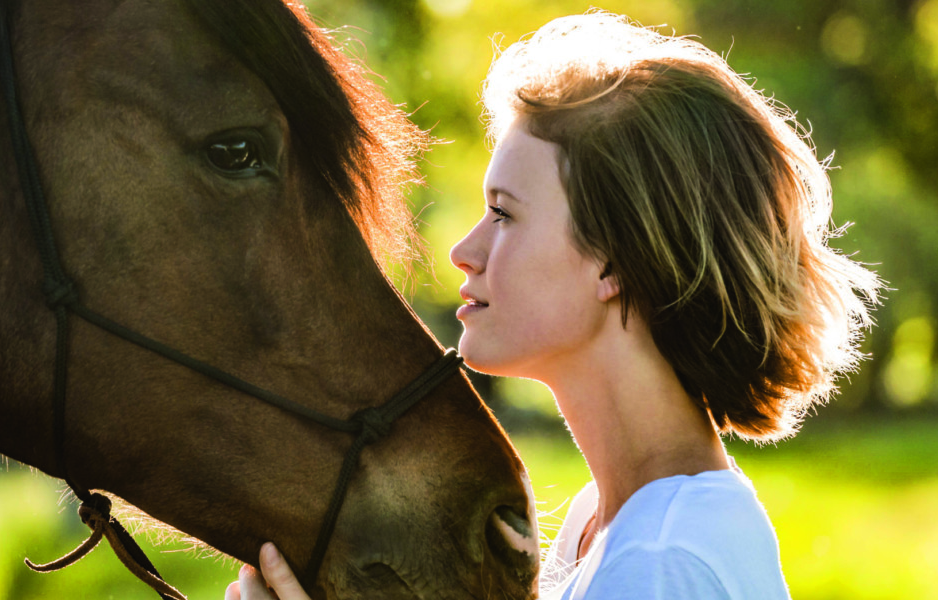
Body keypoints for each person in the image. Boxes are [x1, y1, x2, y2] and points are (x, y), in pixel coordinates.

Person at [227, 10, 880, 600]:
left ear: (615, 261)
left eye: (503, 214)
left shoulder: (658, 565)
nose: (464, 250)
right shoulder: (601, 525)